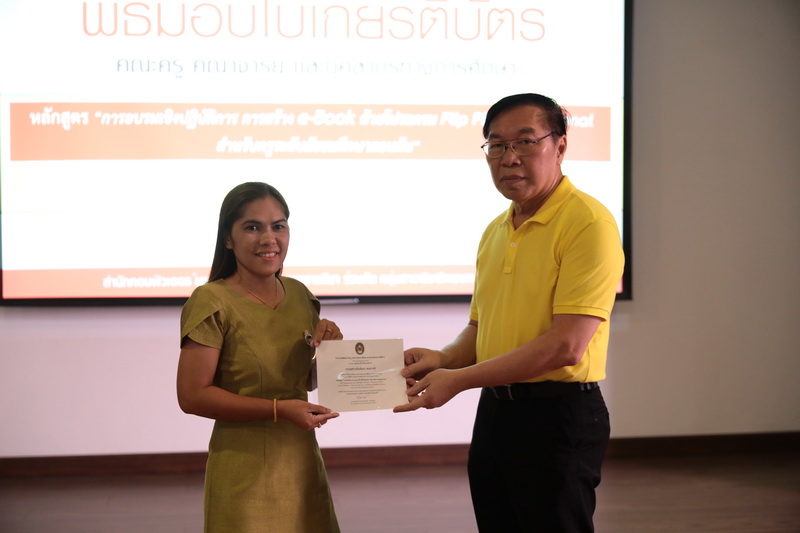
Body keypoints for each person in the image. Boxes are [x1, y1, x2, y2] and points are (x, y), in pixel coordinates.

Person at [394, 93, 625, 533]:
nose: (509, 157)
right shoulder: (496, 231)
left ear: (559, 146)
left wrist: (458, 380)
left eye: (525, 142)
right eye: (497, 145)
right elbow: (480, 328)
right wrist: (443, 359)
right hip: (497, 413)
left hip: (558, 416)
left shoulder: (588, 223)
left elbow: (566, 346)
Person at [177, 182, 342, 533]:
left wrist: (333, 355)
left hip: (302, 464)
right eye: (253, 227)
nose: (269, 239)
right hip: (243, 471)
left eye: (278, 226)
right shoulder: (211, 300)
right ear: (228, 238)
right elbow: (192, 396)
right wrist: (280, 409)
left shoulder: (300, 295)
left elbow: (301, 379)